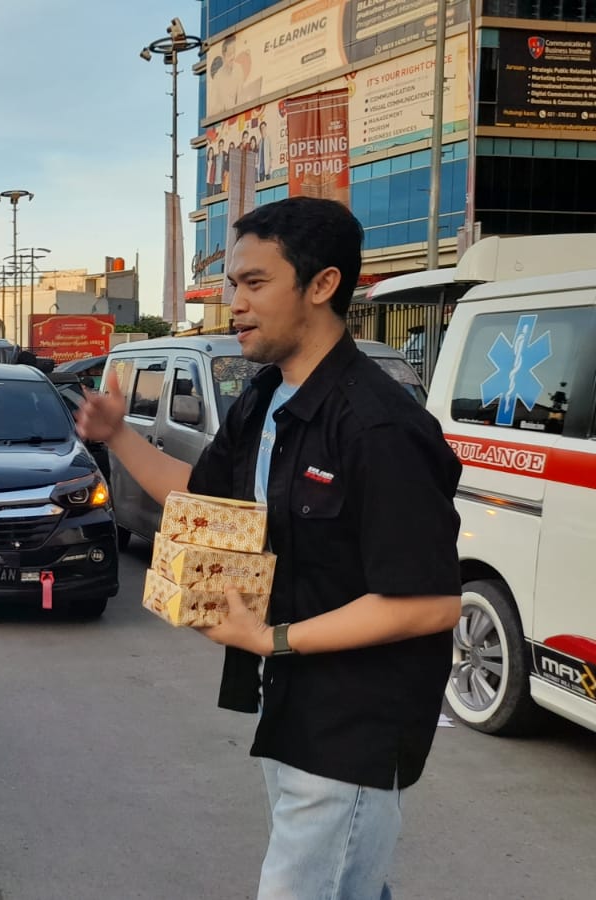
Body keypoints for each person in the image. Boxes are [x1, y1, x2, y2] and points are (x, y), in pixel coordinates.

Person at [74, 197, 462, 899]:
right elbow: (201, 499)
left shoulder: (378, 427)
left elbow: (430, 604)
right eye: (232, 285)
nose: (235, 304)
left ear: (321, 285)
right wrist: (118, 436)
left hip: (354, 723)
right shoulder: (265, 397)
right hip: (283, 698)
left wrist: (274, 639)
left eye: (255, 284)